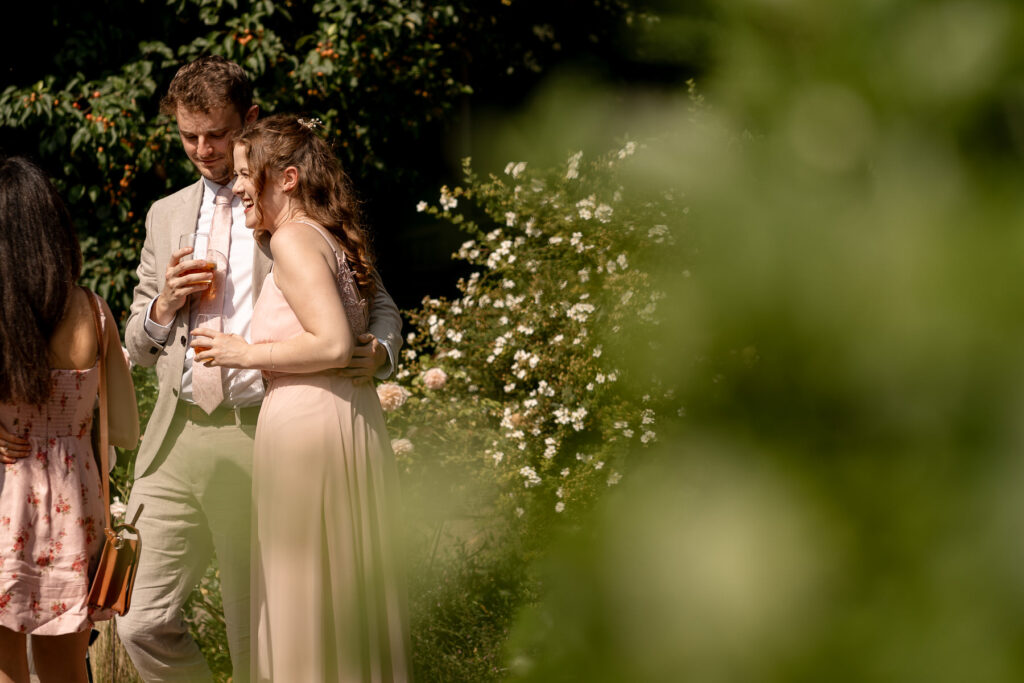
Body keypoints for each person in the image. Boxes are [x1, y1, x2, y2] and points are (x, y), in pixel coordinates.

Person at [117, 57, 403, 682]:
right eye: (188, 136)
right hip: (176, 436)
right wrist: (164, 305)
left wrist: (378, 353)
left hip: (264, 430)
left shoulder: (283, 204)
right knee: (137, 618)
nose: (201, 149)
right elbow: (135, 342)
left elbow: (378, 304)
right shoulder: (164, 216)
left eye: (215, 134)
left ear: (247, 121)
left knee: (263, 635)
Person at [191, 114, 410, 681]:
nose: (237, 186)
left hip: (308, 430)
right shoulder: (330, 234)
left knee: (305, 596)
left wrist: (246, 354)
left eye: (245, 174)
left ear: (285, 178)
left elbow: (333, 341)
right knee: (343, 590)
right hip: (348, 419)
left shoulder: (291, 239)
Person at [0, 156, 140, 683]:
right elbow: (125, 431)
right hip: (74, 518)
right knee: (66, 675)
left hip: (3, 511)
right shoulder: (96, 314)